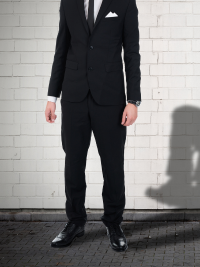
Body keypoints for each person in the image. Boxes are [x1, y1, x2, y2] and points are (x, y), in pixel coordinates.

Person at [44, 0, 141, 252]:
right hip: (74, 95)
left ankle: (113, 222)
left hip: (110, 98)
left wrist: (133, 100)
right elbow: (61, 48)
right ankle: (75, 221)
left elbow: (132, 51)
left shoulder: (125, 3)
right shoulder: (69, 2)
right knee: (73, 162)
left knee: (112, 163)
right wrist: (52, 97)